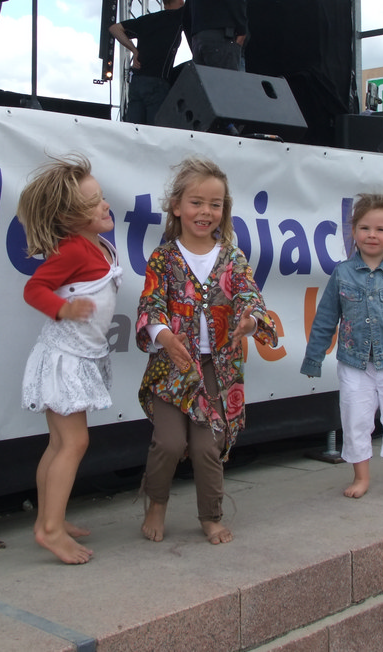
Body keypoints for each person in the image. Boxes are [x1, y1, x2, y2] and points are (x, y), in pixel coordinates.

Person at [135, 156, 277, 544]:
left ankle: (210, 515)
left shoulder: (232, 257)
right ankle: (157, 502)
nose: (205, 212)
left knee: (207, 446)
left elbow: (249, 297)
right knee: (169, 443)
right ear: (177, 207)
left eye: (215, 204)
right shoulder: (163, 258)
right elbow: (151, 304)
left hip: (218, 367)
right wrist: (166, 338)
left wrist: (249, 321)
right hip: (172, 366)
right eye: (196, 202)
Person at [16, 153, 122, 564]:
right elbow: (34, 289)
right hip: (64, 359)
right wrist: (63, 309)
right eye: (94, 203)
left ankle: (49, 519)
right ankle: (50, 530)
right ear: (69, 217)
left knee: (59, 443)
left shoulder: (97, 245)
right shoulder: (74, 250)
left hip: (79, 355)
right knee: (74, 442)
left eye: (102, 197)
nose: (105, 205)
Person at [300, 193, 383, 498]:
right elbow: (325, 319)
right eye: (365, 228)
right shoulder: (342, 274)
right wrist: (314, 358)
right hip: (353, 365)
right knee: (355, 420)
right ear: (354, 232)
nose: (372, 235)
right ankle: (361, 477)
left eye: (380, 229)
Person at [109, 0, 186, 125]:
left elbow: (114, 28)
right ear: (181, 1)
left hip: (137, 81)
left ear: (164, 4)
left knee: (134, 129)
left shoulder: (148, 19)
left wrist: (134, 50)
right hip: (157, 81)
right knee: (155, 130)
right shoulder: (179, 16)